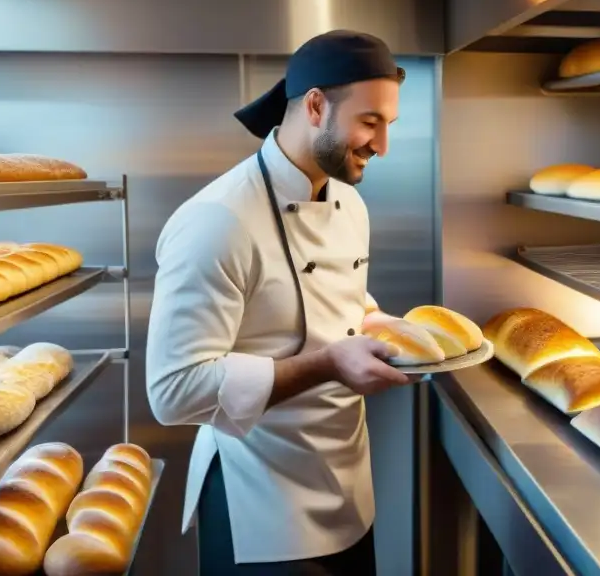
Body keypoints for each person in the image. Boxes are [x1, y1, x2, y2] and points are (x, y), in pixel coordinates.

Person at [145, 30, 413, 575]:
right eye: (370, 122)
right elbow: (172, 392)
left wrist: (378, 322)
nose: (382, 146)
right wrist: (329, 363)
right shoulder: (217, 220)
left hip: (348, 487)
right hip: (261, 503)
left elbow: (334, 299)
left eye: (389, 125)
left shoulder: (350, 202)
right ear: (315, 105)